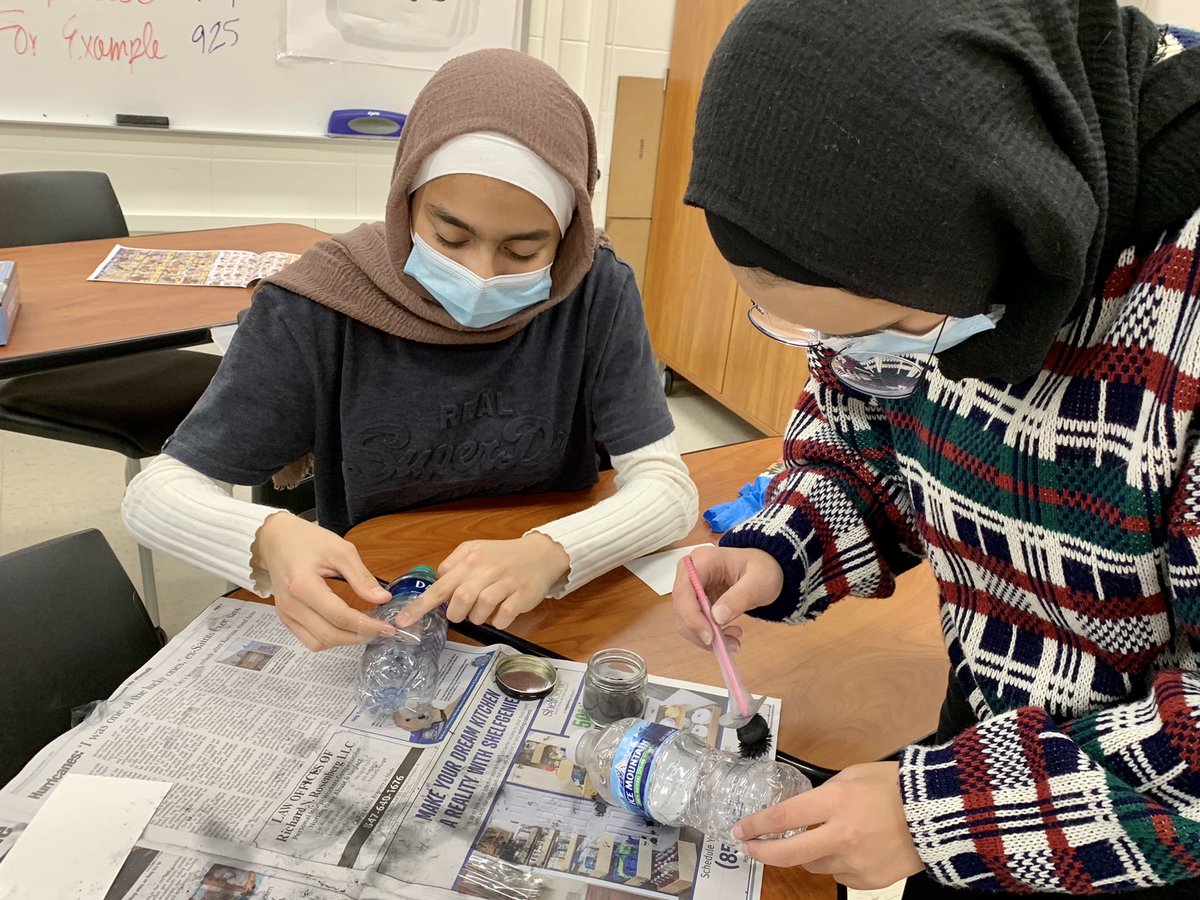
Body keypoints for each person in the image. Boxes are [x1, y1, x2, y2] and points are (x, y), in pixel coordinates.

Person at [673, 1, 1200, 896]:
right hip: (989, 738)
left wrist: (949, 814)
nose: (849, 361)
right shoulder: (920, 245)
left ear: (1008, 229)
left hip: (1149, 824)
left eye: (884, 331)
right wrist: (783, 546)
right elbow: (864, 435)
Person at [123, 49, 697, 651]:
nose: (481, 276)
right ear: (406, 202)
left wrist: (555, 551)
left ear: (568, 236)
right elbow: (157, 494)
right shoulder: (320, 305)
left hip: (547, 608)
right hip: (384, 610)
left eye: (524, 252)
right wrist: (267, 537)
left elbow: (666, 487)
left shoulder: (592, 289)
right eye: (450, 238)